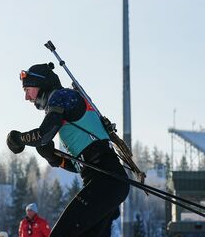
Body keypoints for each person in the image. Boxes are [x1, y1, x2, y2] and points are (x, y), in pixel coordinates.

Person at [7, 63, 130, 236]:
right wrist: (54, 159)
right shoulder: (66, 106)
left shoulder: (61, 96)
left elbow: (44, 134)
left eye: (27, 89)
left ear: (41, 84)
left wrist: (19, 139)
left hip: (106, 182)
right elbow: (79, 164)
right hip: (107, 181)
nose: (26, 97)